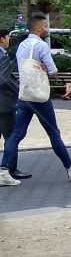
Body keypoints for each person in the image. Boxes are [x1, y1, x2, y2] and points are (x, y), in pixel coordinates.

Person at [0, 14, 71, 188]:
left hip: (25, 95)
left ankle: (3, 170)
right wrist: (46, 68)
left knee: (16, 134)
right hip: (40, 97)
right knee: (53, 133)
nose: (47, 29)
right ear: (38, 28)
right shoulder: (41, 46)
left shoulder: (22, 45)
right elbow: (53, 71)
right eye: (45, 26)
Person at [0, 28, 30, 180]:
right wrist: (17, 89)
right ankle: (11, 169)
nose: (8, 40)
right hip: (4, 105)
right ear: (2, 39)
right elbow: (3, 80)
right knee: (11, 137)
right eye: (7, 37)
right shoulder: (3, 57)